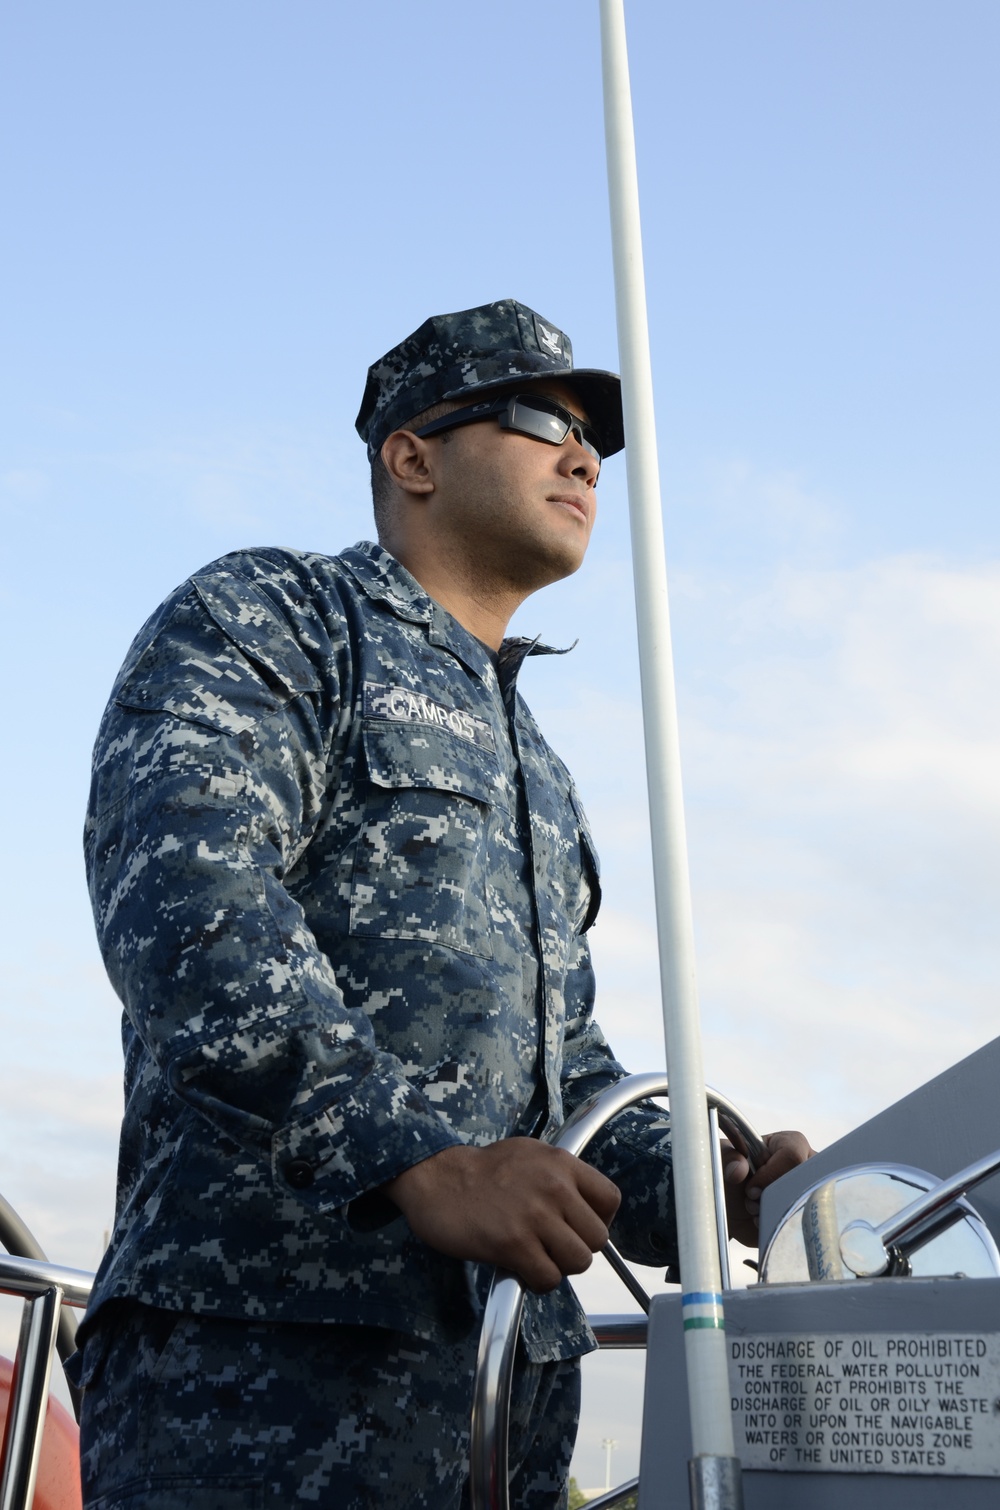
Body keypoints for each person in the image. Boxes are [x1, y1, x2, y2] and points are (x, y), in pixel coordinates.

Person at [72, 299, 812, 1510]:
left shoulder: (540, 767)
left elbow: (560, 1072)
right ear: (410, 455)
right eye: (538, 417)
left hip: (498, 1394)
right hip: (259, 1370)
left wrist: (712, 1181)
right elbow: (187, 899)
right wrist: (415, 1156)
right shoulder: (276, 622)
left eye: (593, 438)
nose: (581, 456)